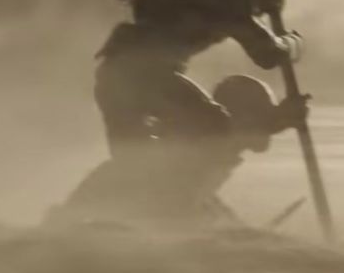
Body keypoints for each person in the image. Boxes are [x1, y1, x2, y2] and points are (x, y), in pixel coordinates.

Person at [96, 0, 303, 158]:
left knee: (135, 159)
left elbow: (189, 2)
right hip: (144, 76)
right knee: (213, 130)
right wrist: (293, 42)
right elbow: (267, 54)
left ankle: (163, 189)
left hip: (117, 71)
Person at [49, 75, 308, 230]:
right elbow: (180, 200)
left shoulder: (205, 152)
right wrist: (279, 121)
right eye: (258, 117)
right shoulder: (201, 146)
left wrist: (239, 230)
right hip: (108, 222)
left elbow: (202, 198)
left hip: (120, 212)